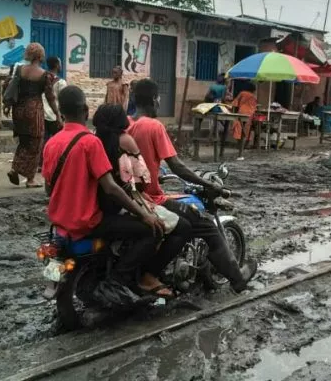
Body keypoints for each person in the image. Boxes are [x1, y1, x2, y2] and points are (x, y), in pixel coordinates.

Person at [128, 79, 257, 292]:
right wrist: (208, 184)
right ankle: (238, 279)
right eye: (158, 97)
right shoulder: (153, 126)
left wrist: (156, 175)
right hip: (150, 199)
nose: (159, 101)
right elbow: (177, 166)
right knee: (205, 224)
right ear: (154, 99)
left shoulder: (126, 124)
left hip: (131, 198)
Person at [43, 86, 170, 297]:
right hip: (88, 222)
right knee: (151, 231)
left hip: (60, 224)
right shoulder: (90, 142)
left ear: (61, 111)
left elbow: (49, 188)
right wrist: (144, 215)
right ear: (85, 110)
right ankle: (117, 279)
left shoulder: (51, 143)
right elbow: (111, 187)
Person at [93, 103, 193, 297]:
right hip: (125, 203)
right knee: (182, 227)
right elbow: (142, 180)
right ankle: (148, 276)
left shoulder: (95, 141)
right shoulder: (125, 141)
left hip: (101, 206)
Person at [4, 43, 61, 188]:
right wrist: (58, 115)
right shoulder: (44, 74)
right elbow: (50, 98)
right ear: (41, 55)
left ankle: (15, 169)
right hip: (34, 110)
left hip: (18, 110)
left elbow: (11, 88)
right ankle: (30, 179)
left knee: (23, 141)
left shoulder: (19, 70)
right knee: (36, 143)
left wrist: (7, 105)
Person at [40, 56, 66, 171]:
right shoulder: (61, 82)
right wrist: (62, 116)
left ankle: (41, 164)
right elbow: (63, 100)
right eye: (60, 63)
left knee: (43, 141)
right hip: (55, 115)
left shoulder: (41, 79)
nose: (61, 66)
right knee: (58, 142)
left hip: (41, 113)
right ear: (56, 65)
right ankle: (56, 163)